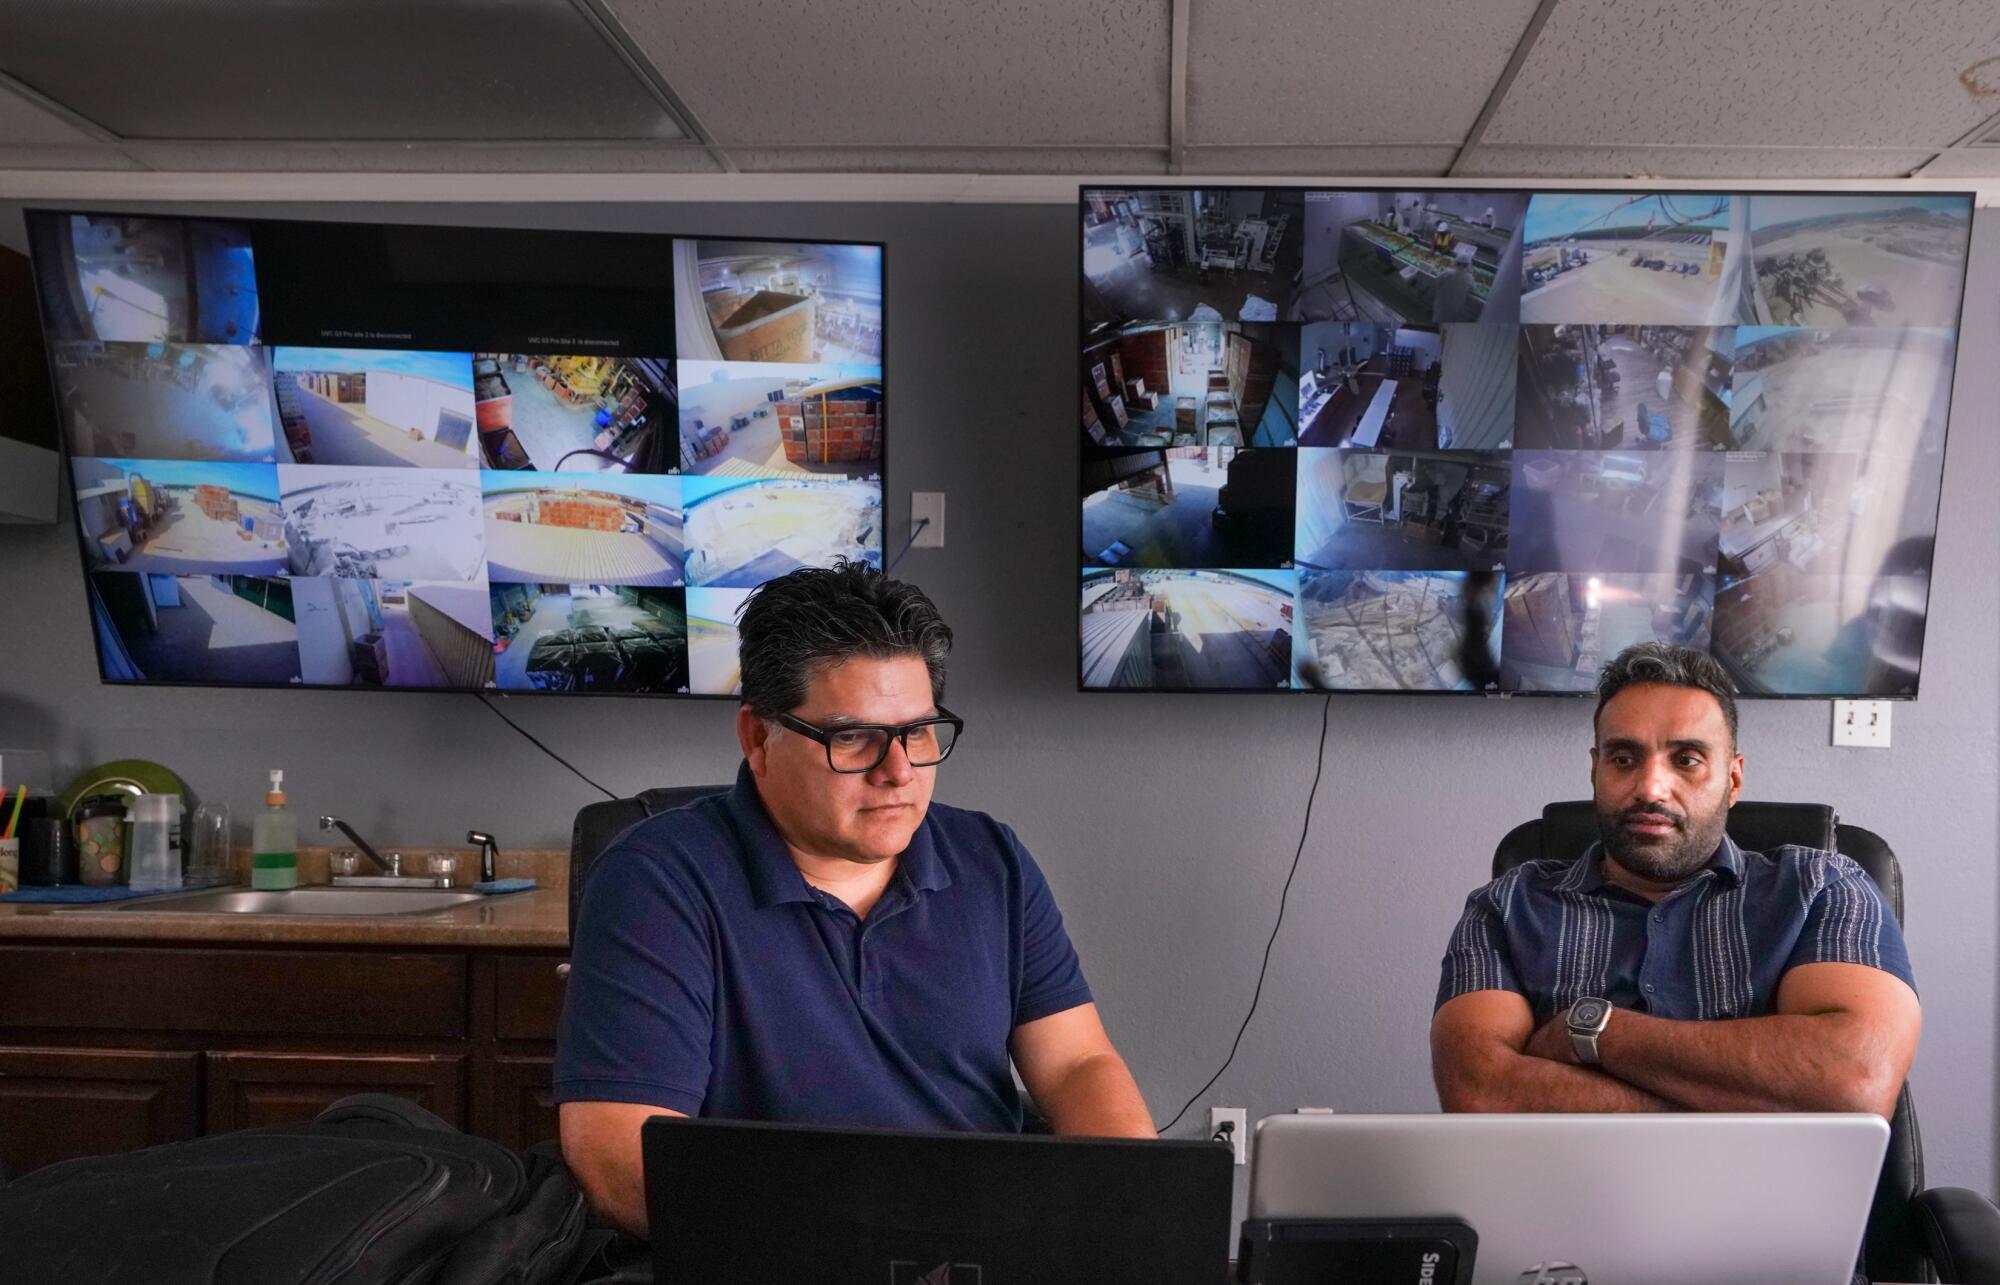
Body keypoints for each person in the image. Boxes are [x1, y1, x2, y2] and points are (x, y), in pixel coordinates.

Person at [556, 561, 1153, 1236]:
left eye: (919, 732)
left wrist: (1132, 1220)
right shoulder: (656, 881)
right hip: (771, 1256)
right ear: (758, 736)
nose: (898, 770)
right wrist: (847, 1245)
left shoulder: (993, 861)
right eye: (853, 736)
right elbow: (615, 1150)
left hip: (978, 1246)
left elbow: (1077, 1063)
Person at [1431, 641, 1919, 1117]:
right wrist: (1747, 1102)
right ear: (1595, 770)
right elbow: (1480, 1093)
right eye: (1624, 759)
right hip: (1561, 1197)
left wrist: (1592, 1031)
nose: (1650, 788)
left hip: (1772, 1200)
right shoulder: (1506, 907)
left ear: (1733, 780)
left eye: (1686, 759)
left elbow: (1855, 1080)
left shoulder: (1821, 888)